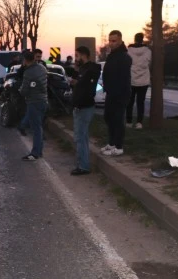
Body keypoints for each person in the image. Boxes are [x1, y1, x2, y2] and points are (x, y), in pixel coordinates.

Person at [69, 46, 102, 175]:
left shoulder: (90, 69)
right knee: (82, 137)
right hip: (80, 106)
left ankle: (83, 166)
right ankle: (83, 163)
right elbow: (80, 83)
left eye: (77, 56)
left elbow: (85, 87)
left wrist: (78, 81)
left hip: (84, 107)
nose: (75, 59)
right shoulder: (83, 69)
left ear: (83, 55)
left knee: (80, 137)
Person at [101, 30, 132, 157]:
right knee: (109, 117)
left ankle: (119, 146)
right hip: (111, 92)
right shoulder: (112, 55)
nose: (111, 43)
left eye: (114, 41)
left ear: (120, 41)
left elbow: (123, 78)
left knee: (118, 119)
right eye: (110, 40)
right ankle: (112, 142)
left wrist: (117, 92)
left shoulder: (124, 57)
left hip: (120, 93)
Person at [19, 51, 48, 161]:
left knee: (36, 128)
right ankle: (38, 151)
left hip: (34, 101)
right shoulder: (42, 68)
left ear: (26, 60)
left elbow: (25, 90)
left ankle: (35, 153)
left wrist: (20, 91)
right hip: (43, 101)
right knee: (38, 126)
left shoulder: (29, 72)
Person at [126, 32, 152, 129]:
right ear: (142, 39)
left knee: (130, 102)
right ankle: (139, 123)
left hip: (132, 79)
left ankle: (128, 122)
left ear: (135, 39)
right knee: (140, 102)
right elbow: (149, 64)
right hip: (143, 80)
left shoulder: (129, 51)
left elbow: (127, 63)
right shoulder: (148, 51)